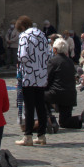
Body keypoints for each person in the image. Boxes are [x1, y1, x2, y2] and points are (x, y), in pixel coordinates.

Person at [15, 15, 50, 146]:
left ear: (22, 27)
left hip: (29, 75)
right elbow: (48, 53)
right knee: (41, 105)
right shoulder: (41, 34)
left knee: (29, 106)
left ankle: (28, 136)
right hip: (41, 75)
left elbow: (22, 55)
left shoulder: (24, 36)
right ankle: (42, 135)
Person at [44, 37, 84, 130]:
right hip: (70, 94)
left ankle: (50, 120)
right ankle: (81, 118)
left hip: (56, 93)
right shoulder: (70, 61)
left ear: (55, 49)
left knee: (40, 96)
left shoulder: (53, 61)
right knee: (65, 121)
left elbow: (47, 79)